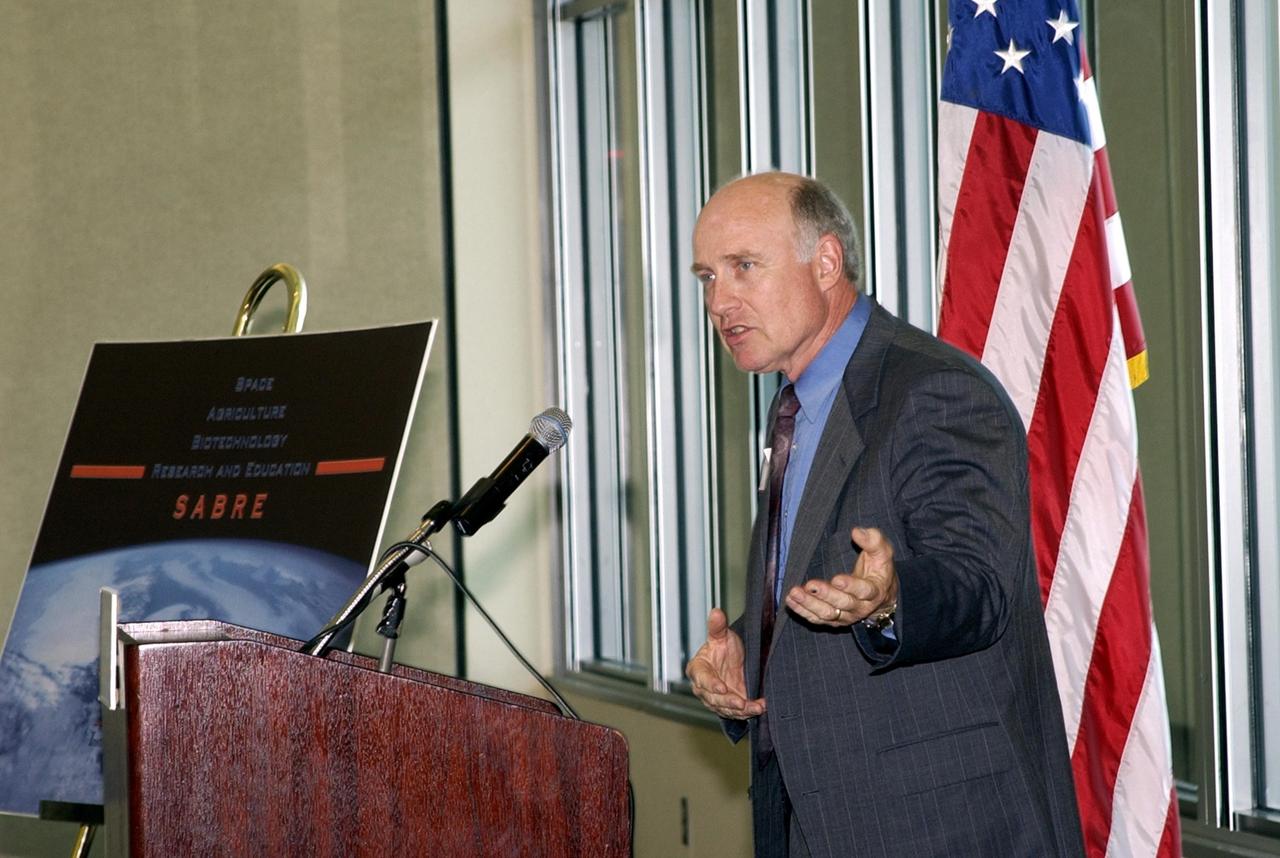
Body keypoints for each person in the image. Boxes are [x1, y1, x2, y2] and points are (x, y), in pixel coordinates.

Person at [685, 172, 1085, 858]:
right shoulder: (793, 410)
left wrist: (892, 600)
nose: (721, 301)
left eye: (744, 268)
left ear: (828, 262)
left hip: (938, 826)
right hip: (811, 818)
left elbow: (980, 585)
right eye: (706, 279)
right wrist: (749, 649)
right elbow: (816, 587)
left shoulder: (933, 391)